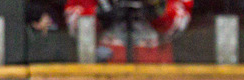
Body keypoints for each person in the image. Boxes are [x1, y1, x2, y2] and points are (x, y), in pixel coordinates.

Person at [64, 0, 192, 62]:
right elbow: (74, 25)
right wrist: (99, 13)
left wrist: (158, 8)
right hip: (104, 63)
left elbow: (180, 23)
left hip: (155, 63)